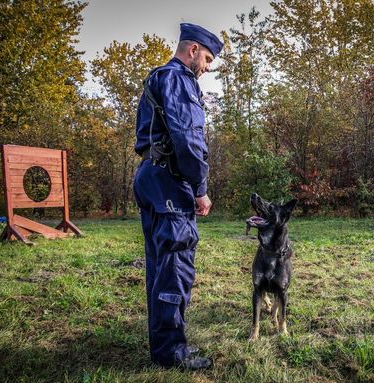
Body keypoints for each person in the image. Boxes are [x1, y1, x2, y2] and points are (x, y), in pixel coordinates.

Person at [133, 23, 223, 371]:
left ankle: (163, 346)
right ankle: (172, 354)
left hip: (152, 176)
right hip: (168, 181)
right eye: (208, 57)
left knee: (160, 265)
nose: (208, 66)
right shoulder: (179, 80)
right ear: (192, 50)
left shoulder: (160, 77)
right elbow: (188, 140)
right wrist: (200, 189)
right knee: (174, 266)